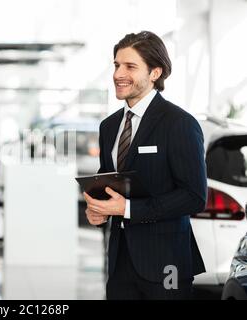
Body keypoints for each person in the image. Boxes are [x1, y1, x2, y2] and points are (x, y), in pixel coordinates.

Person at [84, 31, 207, 300]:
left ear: (155, 73)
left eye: (130, 66)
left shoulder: (179, 124)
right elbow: (111, 182)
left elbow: (194, 197)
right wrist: (99, 210)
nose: (118, 74)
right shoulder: (109, 126)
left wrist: (127, 208)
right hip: (120, 263)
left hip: (167, 262)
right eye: (116, 65)